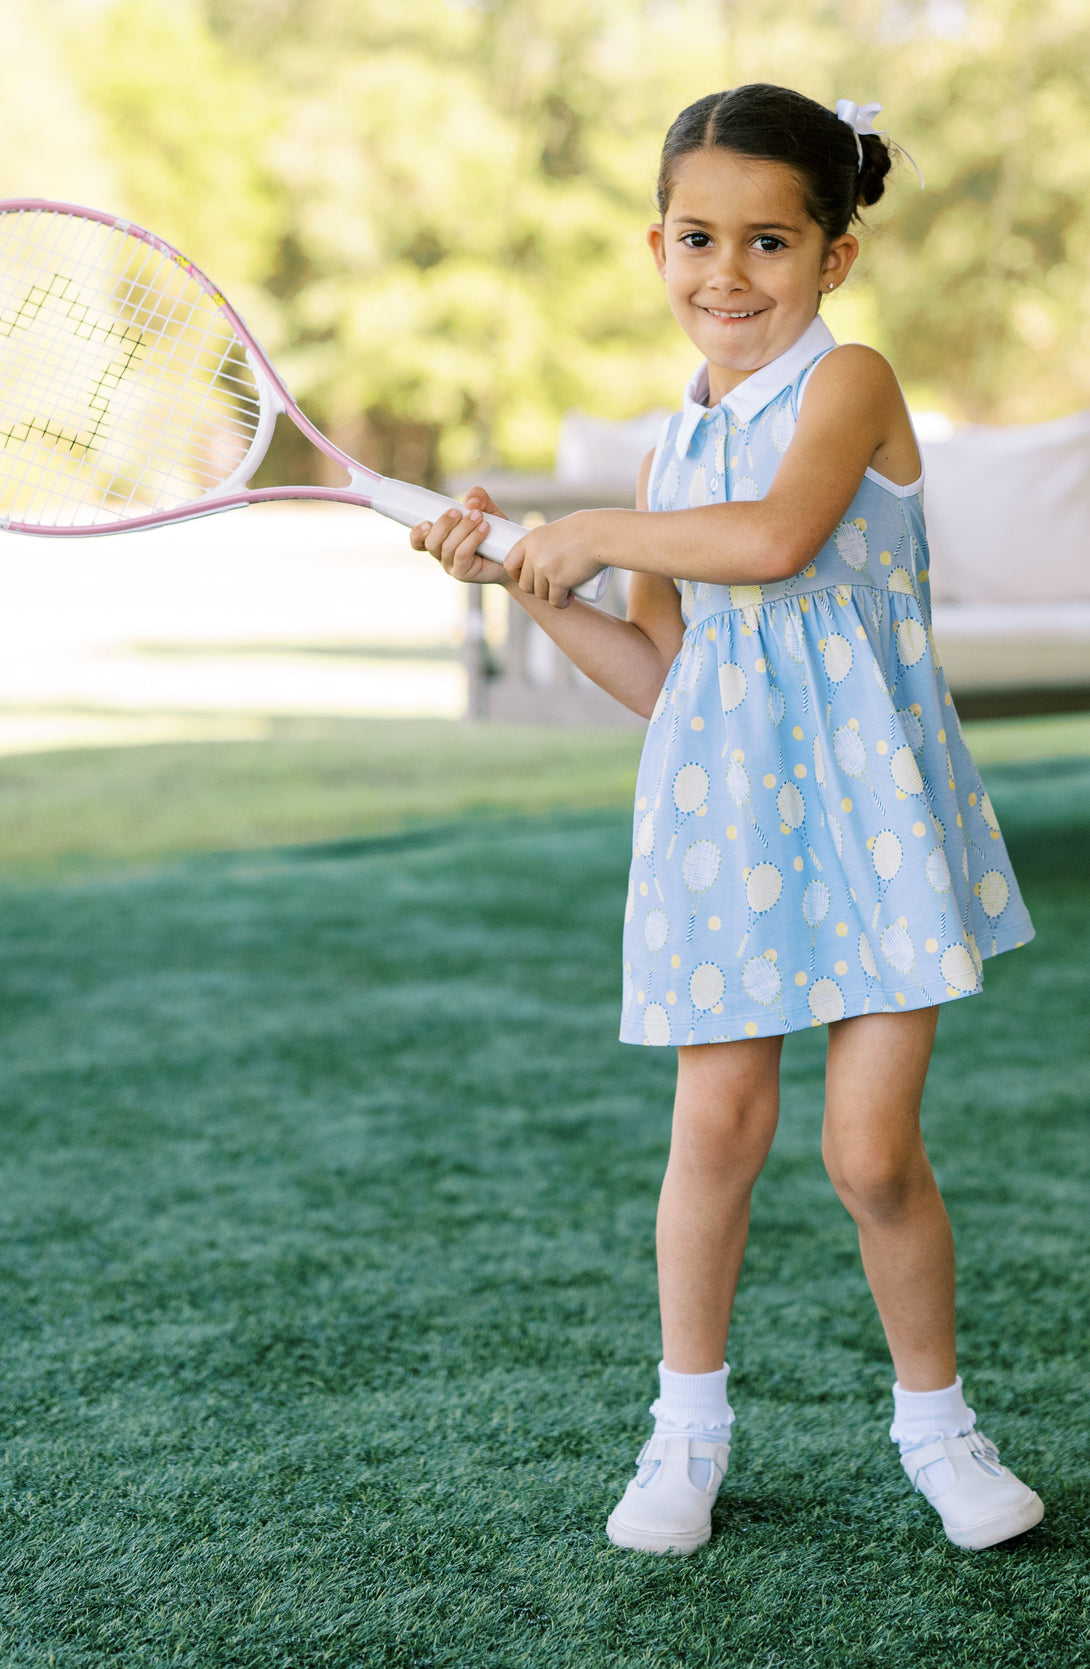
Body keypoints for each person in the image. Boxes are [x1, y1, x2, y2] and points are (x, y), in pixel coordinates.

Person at [409, 83, 1044, 1556]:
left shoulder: (850, 387)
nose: (728, 274)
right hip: (722, 836)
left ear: (833, 258)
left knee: (869, 1154)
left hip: (878, 827)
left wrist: (588, 530)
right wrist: (529, 579)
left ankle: (936, 1429)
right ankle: (684, 1434)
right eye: (698, 237)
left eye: (769, 241)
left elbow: (772, 541)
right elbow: (664, 675)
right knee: (717, 1130)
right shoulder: (663, 457)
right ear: (655, 244)